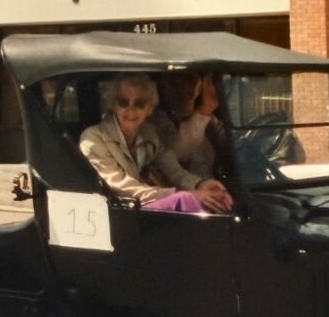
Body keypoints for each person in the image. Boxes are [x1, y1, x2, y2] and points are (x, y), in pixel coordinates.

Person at [78, 73, 233, 213]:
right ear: (113, 104)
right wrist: (178, 194)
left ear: (150, 108)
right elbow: (119, 187)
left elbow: (174, 171)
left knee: (218, 199)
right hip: (114, 212)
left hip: (142, 212)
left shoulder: (149, 134)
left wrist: (201, 184)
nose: (130, 110)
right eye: (123, 102)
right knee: (187, 201)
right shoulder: (93, 138)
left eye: (139, 104)